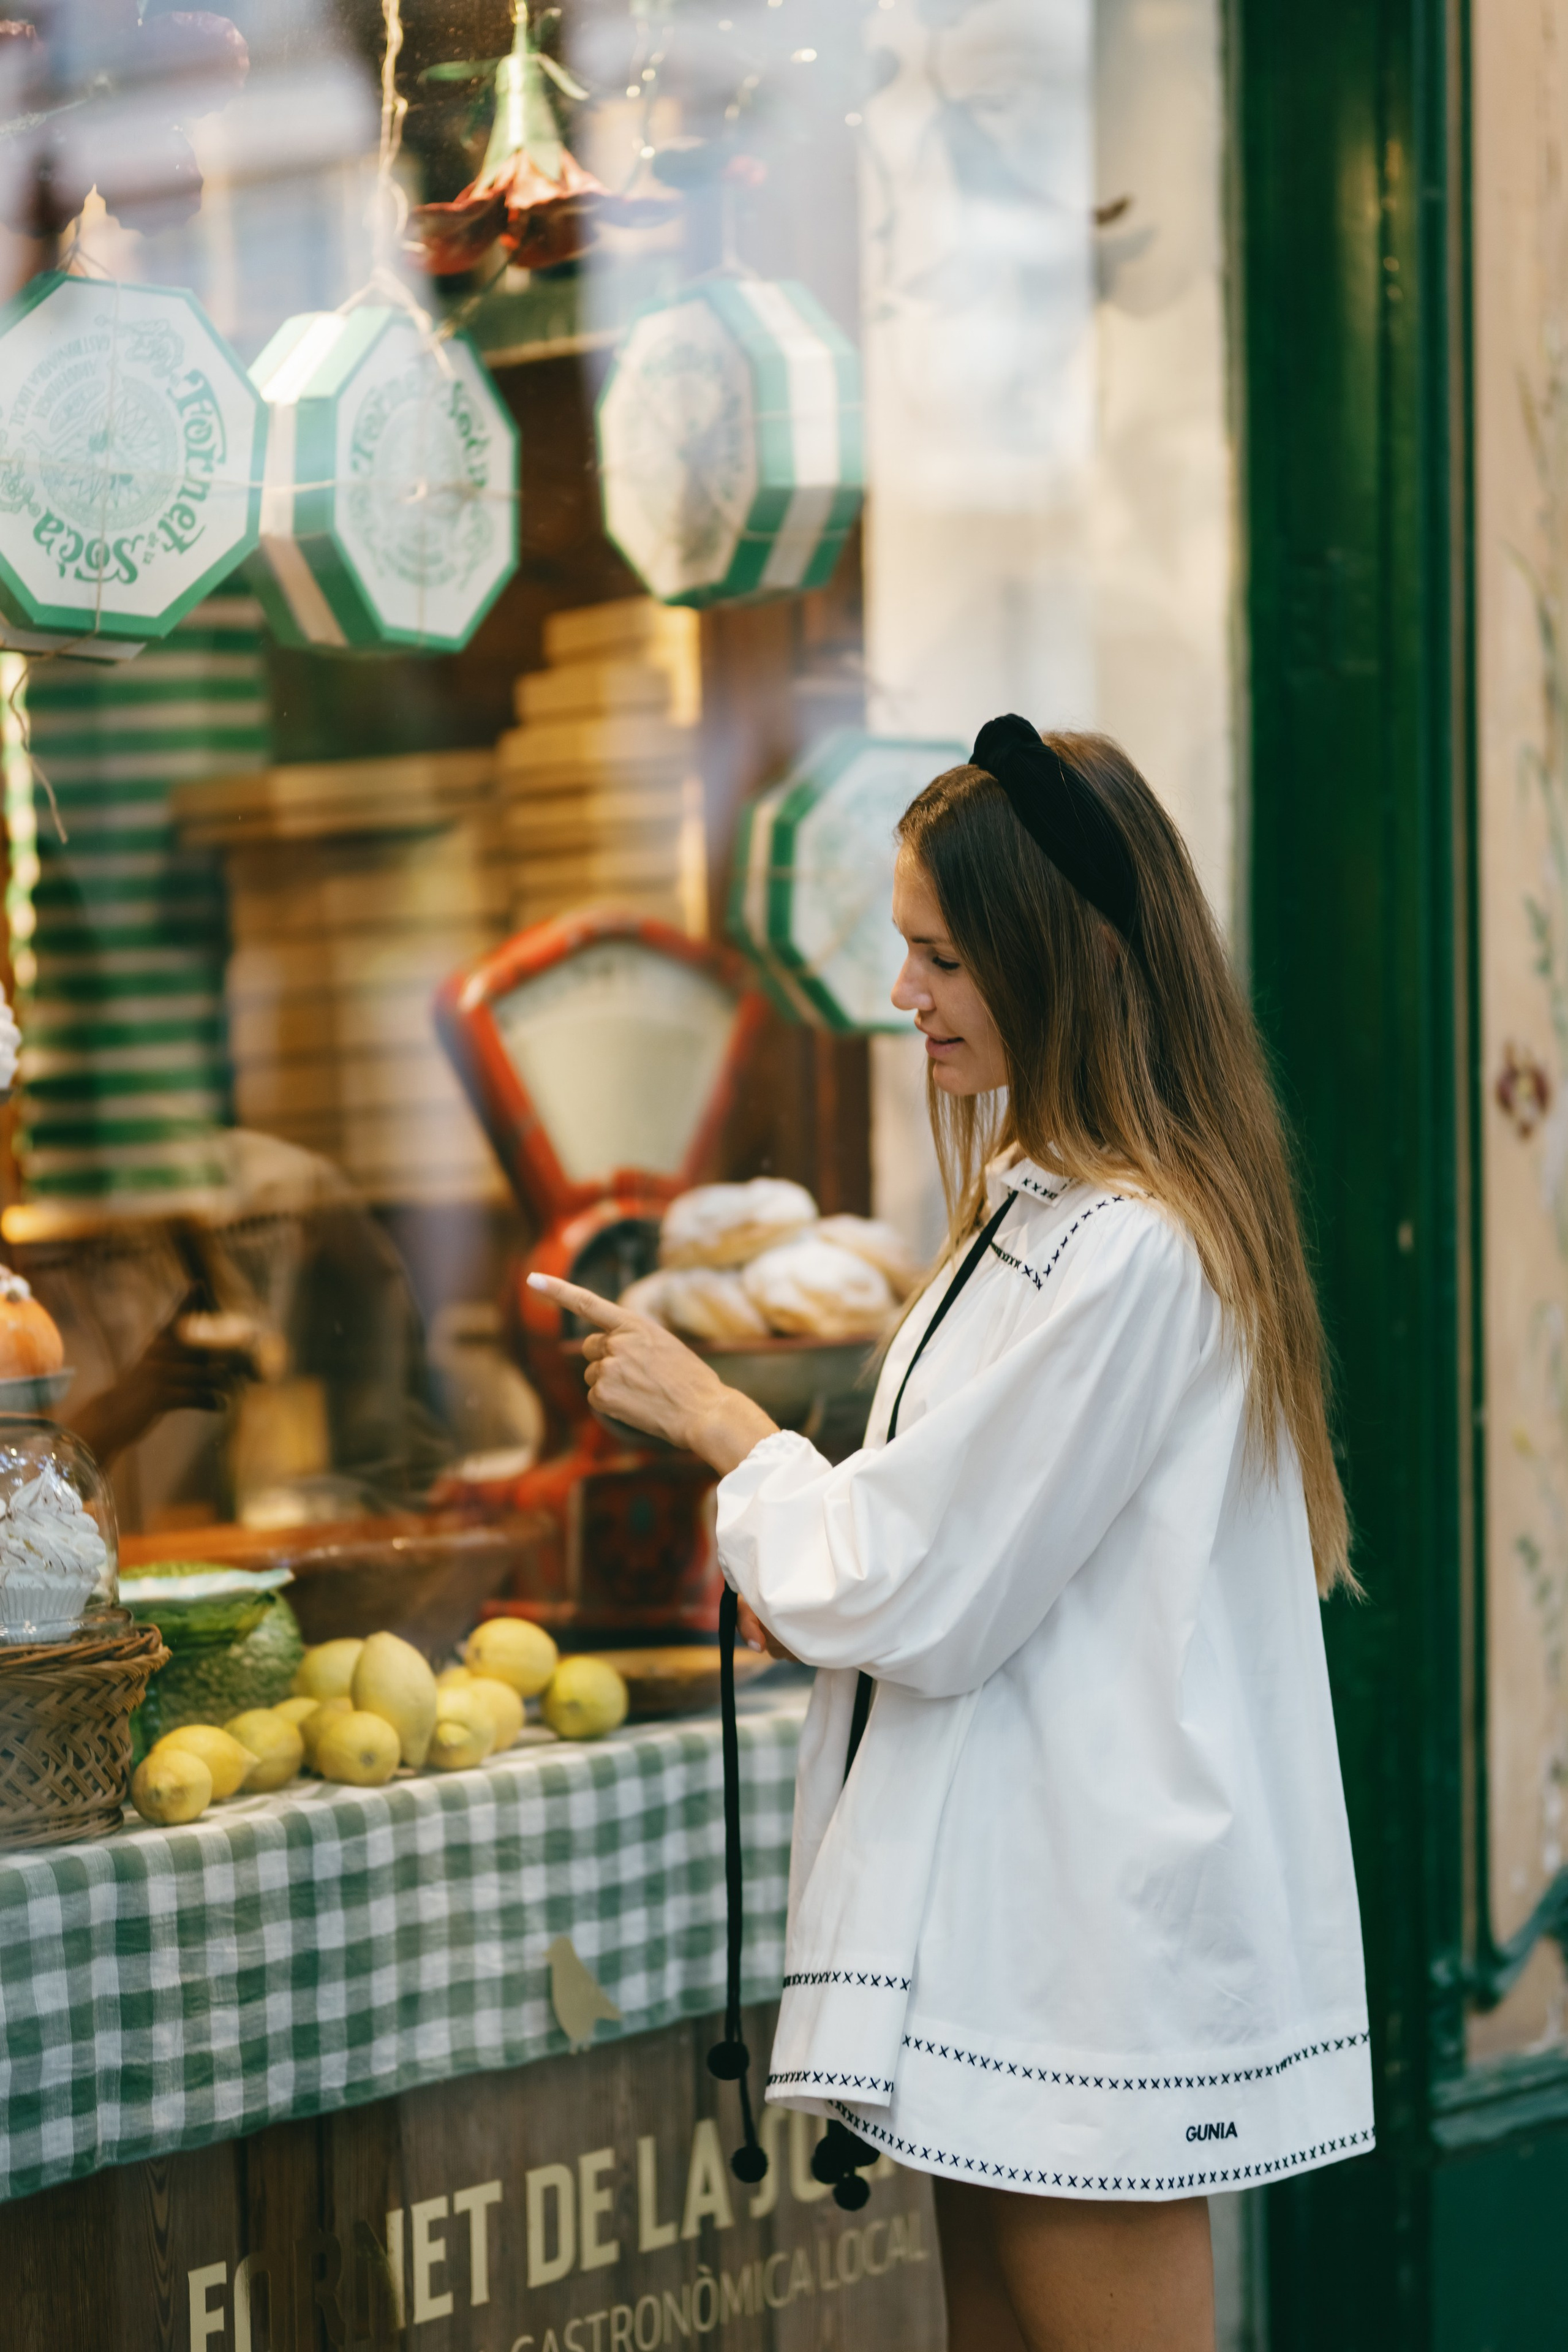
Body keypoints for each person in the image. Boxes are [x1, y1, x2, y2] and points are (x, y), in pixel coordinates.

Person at [532, 715, 1372, 2352]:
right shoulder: (1040, 1206)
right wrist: (824, 1573)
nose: (903, 993)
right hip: (1016, 1922)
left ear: (1053, 963)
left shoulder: (1131, 1249)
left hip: (1085, 1943)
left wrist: (722, 1423)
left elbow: (934, 1579)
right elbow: (963, 1539)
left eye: (940, 956)